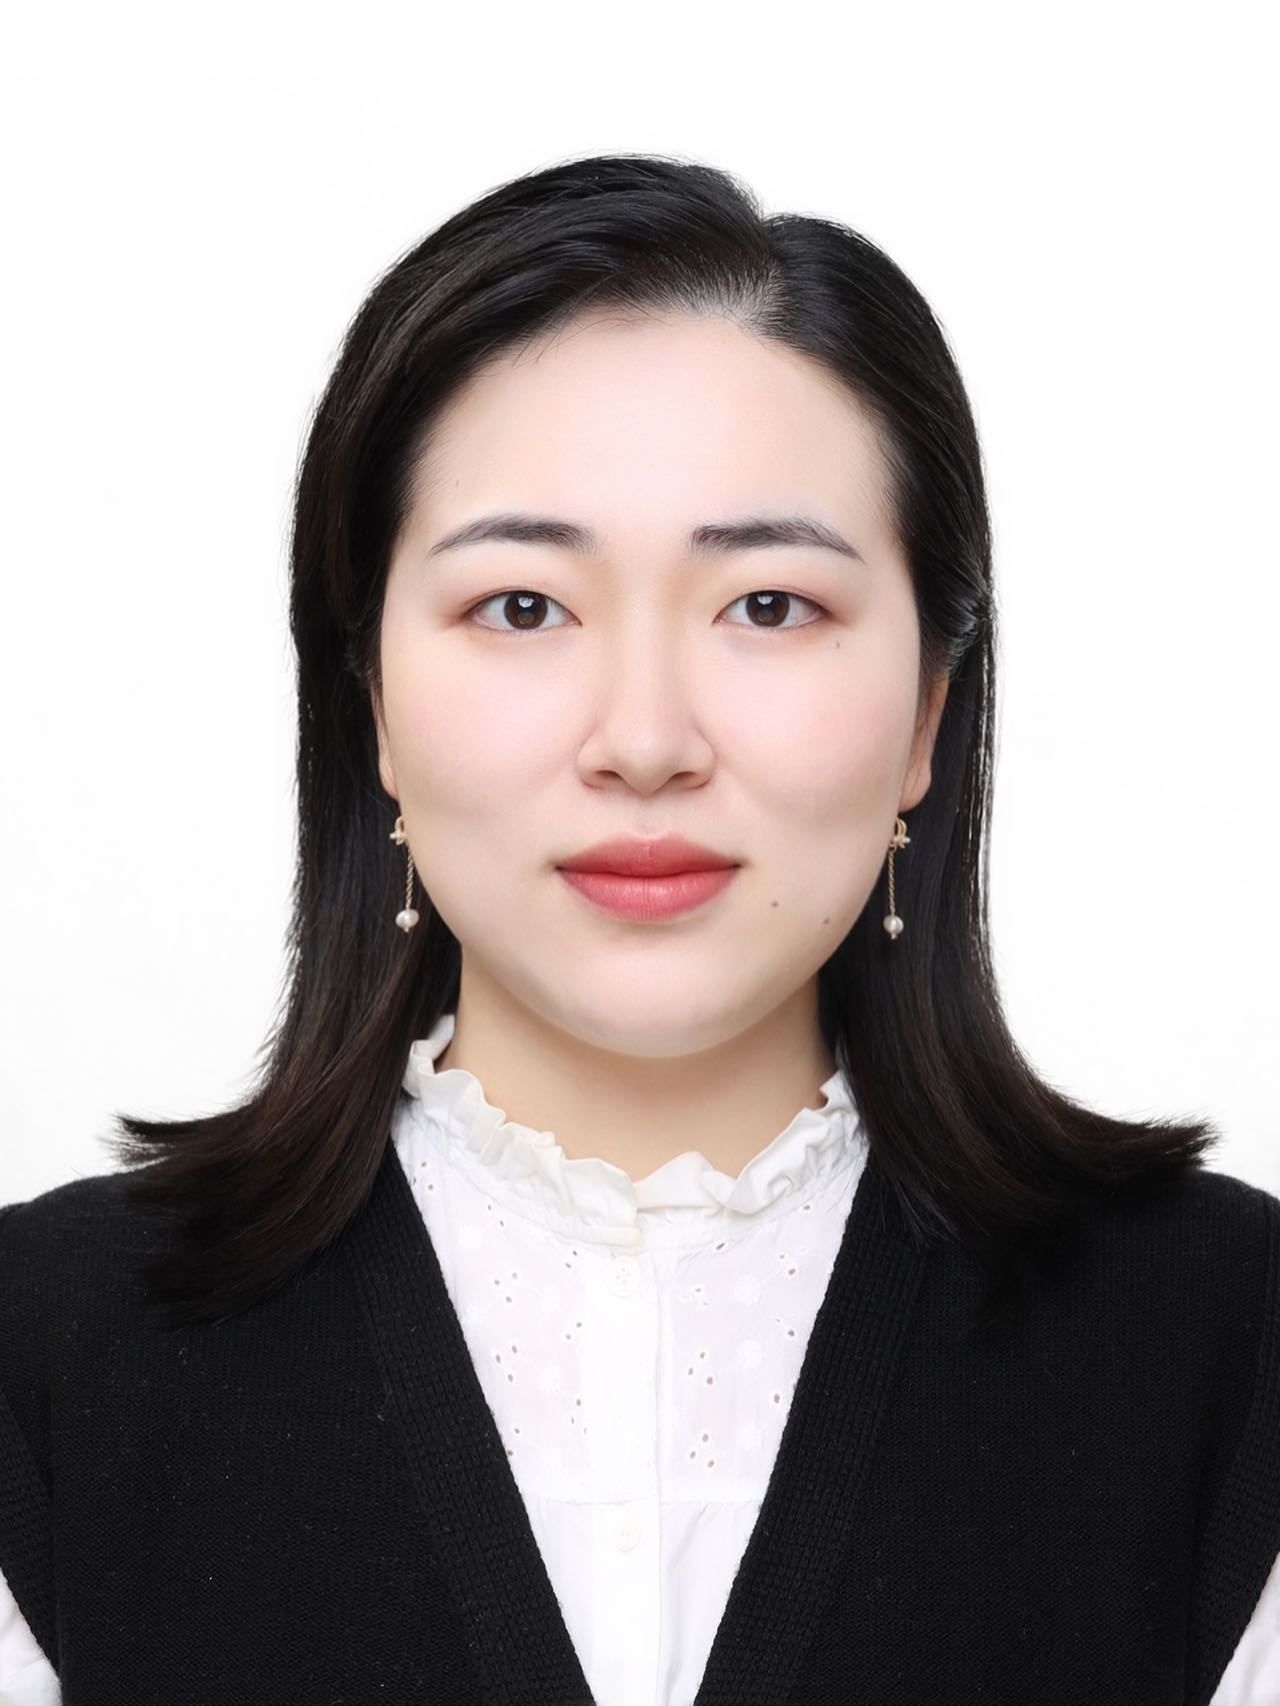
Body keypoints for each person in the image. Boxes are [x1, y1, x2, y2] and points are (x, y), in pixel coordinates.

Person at [1, 153, 1277, 1706]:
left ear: (929, 714)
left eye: (769, 606)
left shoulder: (1230, 1350)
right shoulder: (45, 1360)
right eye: (523, 606)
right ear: (373, 702)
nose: (648, 739)